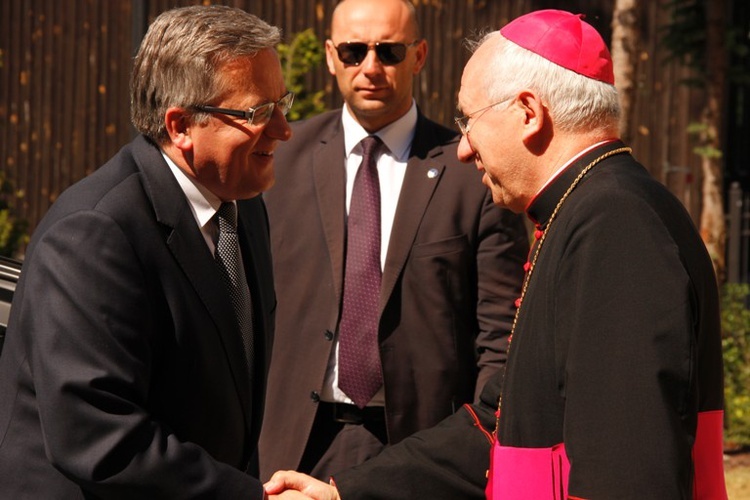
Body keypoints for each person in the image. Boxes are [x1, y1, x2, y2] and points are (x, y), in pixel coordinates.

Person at [265, 9, 728, 499]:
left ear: (529, 113)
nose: (463, 148)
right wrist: (344, 493)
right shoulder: (586, 210)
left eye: (471, 119)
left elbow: (627, 469)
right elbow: (498, 419)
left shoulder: (616, 224)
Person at [0, 5, 293, 498]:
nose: (284, 129)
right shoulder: (95, 234)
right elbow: (98, 439)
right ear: (180, 127)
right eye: (257, 113)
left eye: (281, 104)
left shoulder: (244, 207)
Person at [255, 0, 528, 483]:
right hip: (294, 442)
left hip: (422, 449)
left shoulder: (472, 173)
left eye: (390, 51)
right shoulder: (280, 160)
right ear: (330, 55)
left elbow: (501, 334)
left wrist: (485, 448)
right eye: (354, 51)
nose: (371, 68)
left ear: (419, 55)